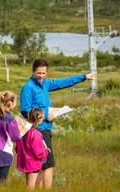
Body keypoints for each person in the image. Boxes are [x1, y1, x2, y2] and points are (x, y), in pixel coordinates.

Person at [20, 59, 94, 189]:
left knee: (42, 166)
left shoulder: (45, 84)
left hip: (46, 129)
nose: (41, 76)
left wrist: (83, 77)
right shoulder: (28, 87)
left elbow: (63, 82)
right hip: (38, 131)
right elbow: (25, 110)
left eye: (44, 73)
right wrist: (43, 114)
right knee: (49, 166)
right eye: (39, 73)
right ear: (33, 71)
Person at [16, 108, 49, 190]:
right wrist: (46, 151)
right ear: (39, 119)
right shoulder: (36, 134)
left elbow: (17, 148)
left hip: (25, 162)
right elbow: (38, 153)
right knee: (30, 187)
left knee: (28, 185)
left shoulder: (23, 131)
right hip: (33, 163)